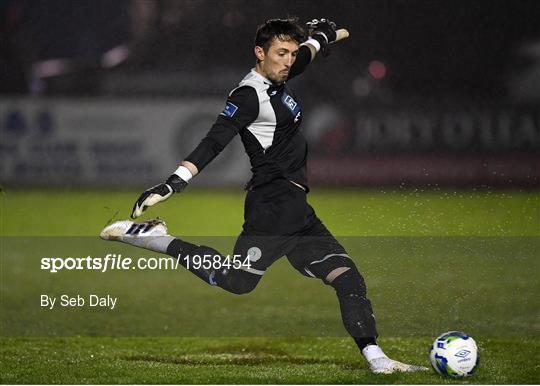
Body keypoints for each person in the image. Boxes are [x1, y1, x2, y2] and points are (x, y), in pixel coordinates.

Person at [101, 17, 428, 374]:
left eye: (290, 53)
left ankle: (378, 361)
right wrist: (173, 183)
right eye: (280, 53)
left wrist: (323, 37)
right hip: (271, 207)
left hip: (296, 208)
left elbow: (304, 57)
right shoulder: (247, 96)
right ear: (260, 53)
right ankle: (154, 240)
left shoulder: (281, 75)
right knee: (237, 281)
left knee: (345, 277)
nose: (288, 60)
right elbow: (214, 140)